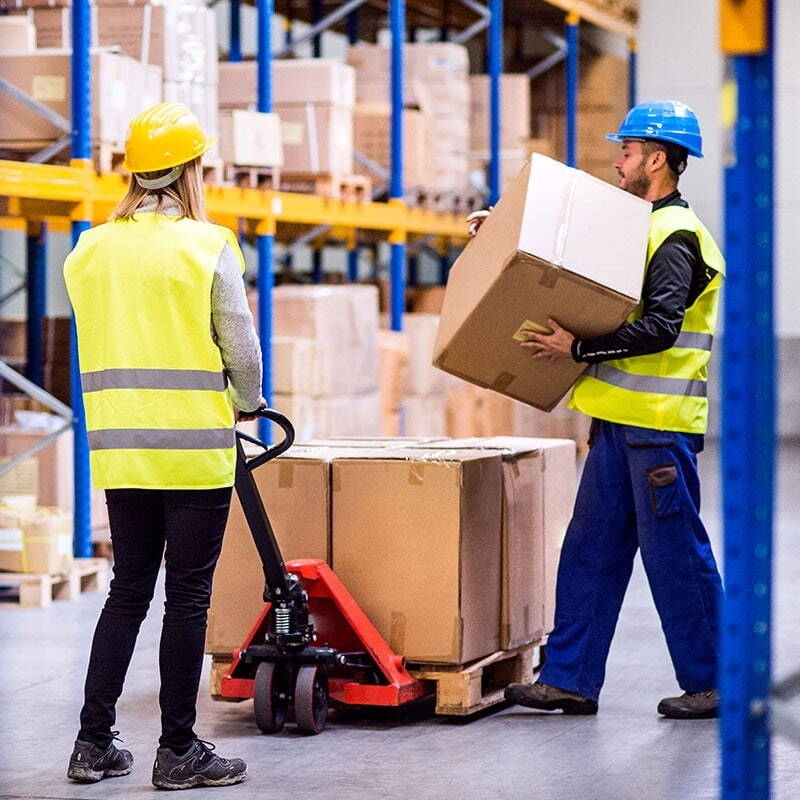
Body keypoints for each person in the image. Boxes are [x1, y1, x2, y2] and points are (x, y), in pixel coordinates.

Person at [470, 101, 725, 719]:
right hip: (616, 426)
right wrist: (501, 233)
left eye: (629, 152)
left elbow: (662, 327)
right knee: (589, 550)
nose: (618, 162)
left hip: (658, 432)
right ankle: (570, 679)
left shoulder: (676, 237)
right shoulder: (635, 227)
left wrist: (577, 348)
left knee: (677, 559)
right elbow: (569, 264)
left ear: (657, 160)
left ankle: (718, 680)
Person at [64, 102, 264, 789]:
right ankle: (177, 749)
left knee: (126, 592)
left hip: (124, 451)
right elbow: (238, 341)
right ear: (191, 169)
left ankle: (93, 744)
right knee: (187, 598)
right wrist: (249, 399)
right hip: (193, 451)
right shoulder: (206, 245)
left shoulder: (89, 250)